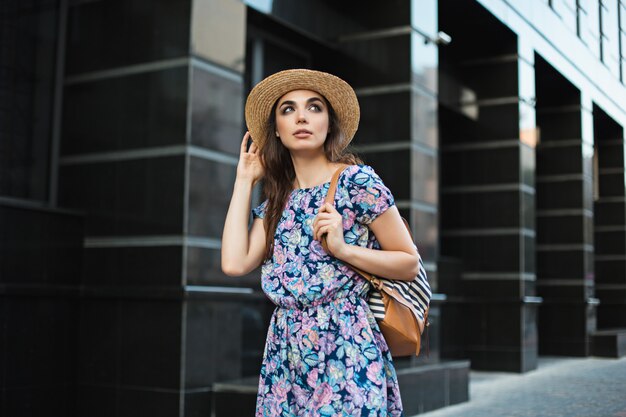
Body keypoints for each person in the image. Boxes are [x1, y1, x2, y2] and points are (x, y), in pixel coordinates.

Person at [221, 69, 420, 417]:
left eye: (314, 108)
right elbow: (234, 263)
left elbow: (408, 262)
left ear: (329, 124)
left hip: (346, 344)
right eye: (288, 110)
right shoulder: (276, 203)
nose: (301, 116)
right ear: (277, 133)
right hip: (285, 352)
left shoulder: (357, 182)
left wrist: (343, 250)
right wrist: (244, 179)